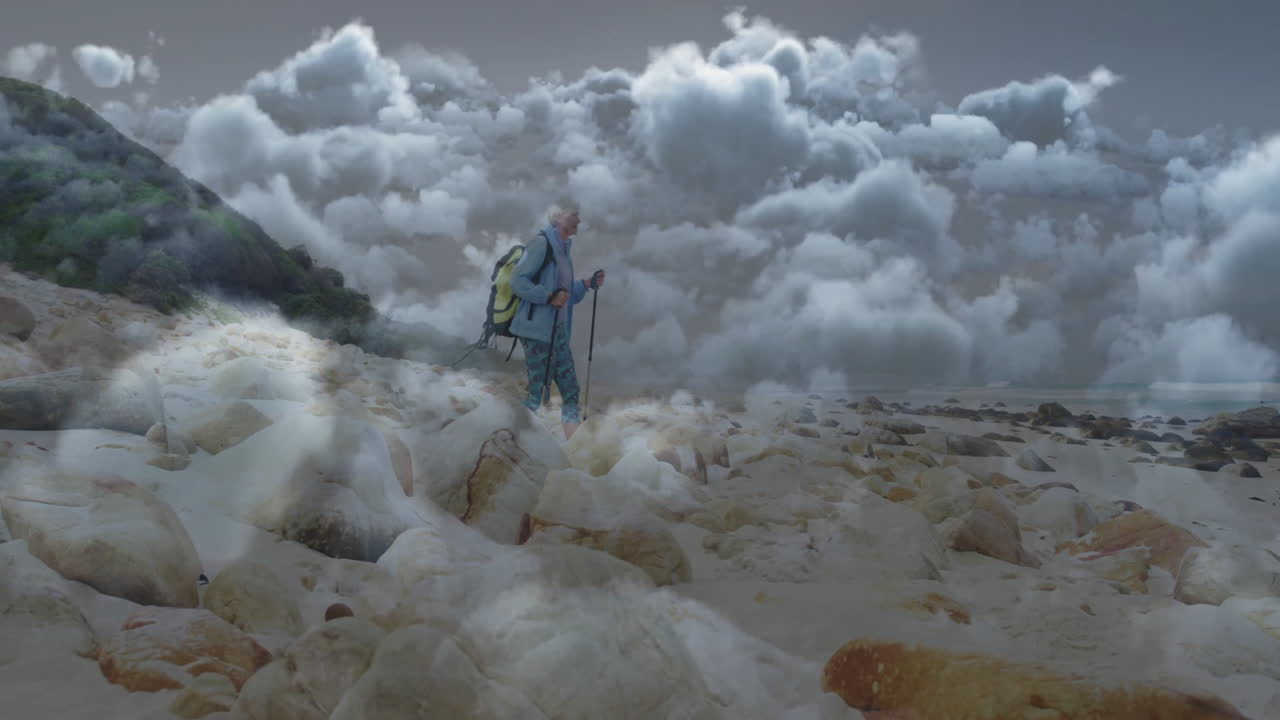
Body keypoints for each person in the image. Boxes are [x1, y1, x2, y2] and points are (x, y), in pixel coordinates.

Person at [509, 205, 605, 441]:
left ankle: (574, 449)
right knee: (536, 394)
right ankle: (514, 444)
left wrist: (586, 284)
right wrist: (548, 296)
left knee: (570, 390)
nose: (579, 220)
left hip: (558, 331)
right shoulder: (541, 244)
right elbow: (518, 281)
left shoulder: (563, 250)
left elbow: (563, 292)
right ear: (559, 218)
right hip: (536, 331)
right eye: (574, 215)